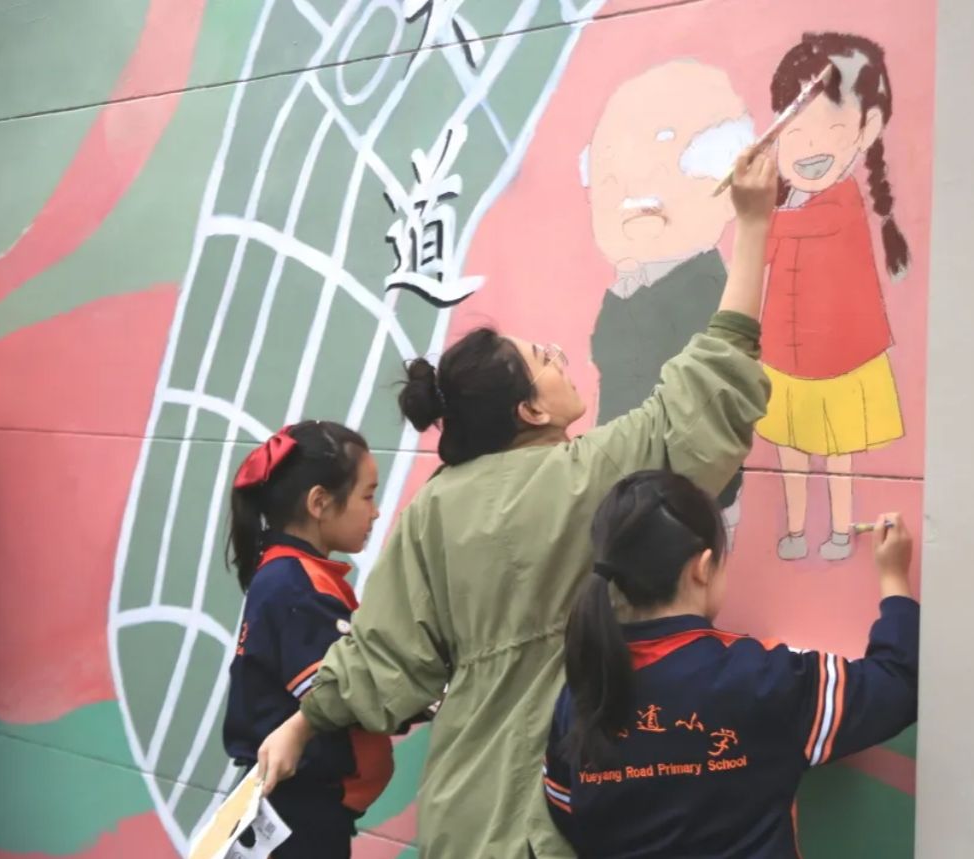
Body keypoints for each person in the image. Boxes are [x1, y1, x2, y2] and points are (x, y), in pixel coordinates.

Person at [255, 147, 780, 858]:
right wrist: (753, 224)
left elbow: (384, 660)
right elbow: (707, 395)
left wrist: (302, 722)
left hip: (466, 814)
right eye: (545, 358)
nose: (560, 356)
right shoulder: (591, 476)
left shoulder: (432, 511)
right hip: (577, 807)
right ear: (530, 410)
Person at [543, 470, 918, 857]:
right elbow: (898, 684)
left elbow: (565, 807)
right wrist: (894, 579)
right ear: (703, 567)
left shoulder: (584, 691)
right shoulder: (762, 678)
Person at [222, 421, 426, 858]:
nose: (375, 512)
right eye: (367, 496)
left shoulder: (296, 574)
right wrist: (424, 695)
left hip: (302, 807)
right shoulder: (295, 585)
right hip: (297, 812)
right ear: (319, 502)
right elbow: (340, 694)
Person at [581, 59, 755, 546]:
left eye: (665, 148)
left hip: (687, 502)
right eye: (608, 168)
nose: (625, 188)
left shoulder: (705, 288)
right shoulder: (625, 292)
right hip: (626, 495)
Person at [757, 32, 911, 562]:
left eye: (831, 127)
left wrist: (754, 213)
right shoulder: (786, 205)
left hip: (840, 363)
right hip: (783, 358)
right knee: (789, 452)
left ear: (867, 128)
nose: (809, 146)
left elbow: (791, 231)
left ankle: (841, 530)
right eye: (794, 130)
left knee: (838, 454)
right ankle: (797, 529)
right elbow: (764, 254)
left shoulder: (840, 203)